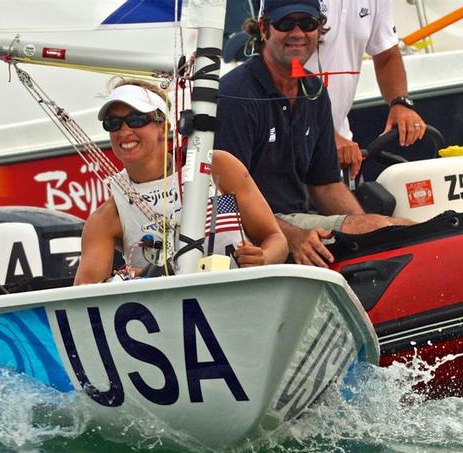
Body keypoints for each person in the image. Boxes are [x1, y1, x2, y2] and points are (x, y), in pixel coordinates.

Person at [217, 0, 410, 268]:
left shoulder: (313, 89)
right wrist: (291, 237)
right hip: (260, 233)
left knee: (398, 229)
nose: (297, 33)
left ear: (319, 30)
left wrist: (367, 233)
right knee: (389, 228)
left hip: (300, 220)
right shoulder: (235, 94)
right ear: (263, 29)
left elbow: (325, 184)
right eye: (285, 23)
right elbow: (226, 199)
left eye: (307, 24)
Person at [74, 81, 288, 285]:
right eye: (113, 123)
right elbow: (84, 295)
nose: (124, 131)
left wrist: (264, 259)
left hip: (243, 300)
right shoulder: (107, 217)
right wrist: (123, 281)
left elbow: (276, 239)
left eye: (137, 119)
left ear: (164, 126)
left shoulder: (217, 166)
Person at [306, 0, 426, 178]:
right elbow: (278, 67)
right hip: (288, 149)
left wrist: (399, 102)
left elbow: (386, 55)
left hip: (339, 151)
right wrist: (325, 136)